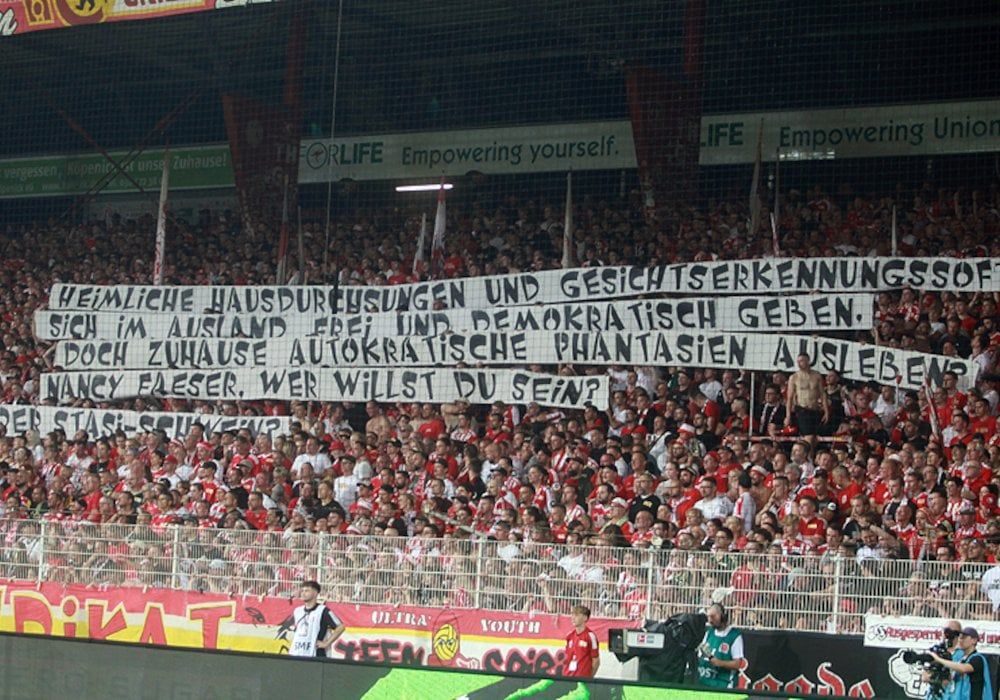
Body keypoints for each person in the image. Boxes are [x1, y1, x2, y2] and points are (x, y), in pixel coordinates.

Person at [930, 626, 993, 700]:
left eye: (964, 637)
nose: (960, 640)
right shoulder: (960, 659)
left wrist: (938, 659)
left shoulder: (977, 659)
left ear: (974, 640)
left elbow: (963, 668)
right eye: (959, 637)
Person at [288, 580, 345, 658]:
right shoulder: (297, 611)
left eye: (307, 591)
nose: (303, 593)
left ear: (315, 593)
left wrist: (326, 643)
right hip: (296, 653)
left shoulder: (323, 610)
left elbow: (340, 627)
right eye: (302, 591)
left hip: (315, 654)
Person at [785, 353, 830, 445]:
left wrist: (826, 411)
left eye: (801, 361)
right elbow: (789, 398)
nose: (799, 363)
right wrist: (788, 415)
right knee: (808, 436)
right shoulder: (794, 377)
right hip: (802, 409)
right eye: (798, 361)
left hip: (815, 409)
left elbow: (823, 394)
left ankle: (811, 456)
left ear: (808, 361)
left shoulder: (817, 376)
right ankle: (807, 457)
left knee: (814, 438)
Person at [696, 603, 744, 688]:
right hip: (704, 681)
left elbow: (737, 664)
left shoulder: (734, 636)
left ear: (723, 616)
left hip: (723, 684)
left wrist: (720, 663)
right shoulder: (709, 633)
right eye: (709, 617)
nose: (710, 620)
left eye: (713, 617)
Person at [563, 604, 600, 678]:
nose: (573, 618)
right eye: (572, 615)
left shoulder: (590, 636)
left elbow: (596, 661)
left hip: (581, 679)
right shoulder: (570, 636)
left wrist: (588, 677)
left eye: (576, 615)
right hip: (567, 677)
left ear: (585, 618)